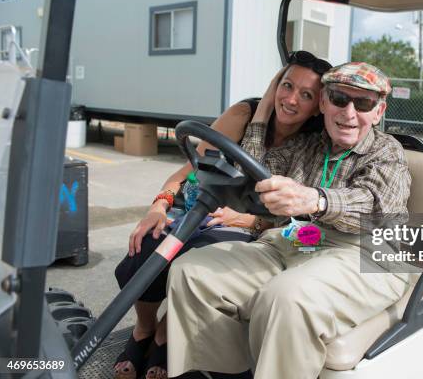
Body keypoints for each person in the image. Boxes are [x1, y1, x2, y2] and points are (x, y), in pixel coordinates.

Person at [165, 62, 411, 379]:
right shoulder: (307, 146)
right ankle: (226, 373)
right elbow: (253, 169)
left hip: (366, 254)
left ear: (378, 112)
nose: (349, 113)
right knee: (192, 272)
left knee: (287, 297)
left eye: (362, 103)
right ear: (324, 103)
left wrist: (315, 199)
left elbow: (376, 207)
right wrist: (263, 110)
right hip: (297, 240)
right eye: (339, 99)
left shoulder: (386, 151)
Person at [113, 51, 332, 379]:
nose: (290, 99)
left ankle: (164, 334)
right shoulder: (245, 114)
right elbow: (190, 171)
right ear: (275, 86)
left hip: (238, 227)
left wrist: (248, 220)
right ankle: (144, 330)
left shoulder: (311, 146)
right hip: (192, 208)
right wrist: (158, 206)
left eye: (306, 95)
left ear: (318, 104)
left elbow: (298, 222)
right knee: (145, 252)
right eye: (286, 86)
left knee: (195, 266)